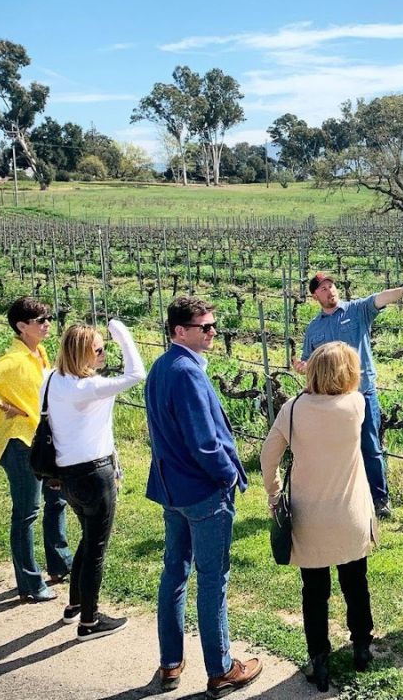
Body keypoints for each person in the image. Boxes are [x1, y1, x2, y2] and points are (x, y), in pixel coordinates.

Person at [145, 297, 262, 698]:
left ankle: (170, 662)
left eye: (214, 325)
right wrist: (229, 477)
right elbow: (204, 442)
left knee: (174, 573)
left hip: (172, 488)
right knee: (212, 579)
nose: (214, 332)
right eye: (205, 327)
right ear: (180, 331)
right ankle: (221, 668)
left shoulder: (162, 366)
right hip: (202, 492)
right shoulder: (186, 373)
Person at [261, 341, 376, 692]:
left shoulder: (293, 409)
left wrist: (274, 493)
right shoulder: (355, 405)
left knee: (314, 591)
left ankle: (319, 658)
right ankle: (361, 646)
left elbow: (268, 456)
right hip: (350, 513)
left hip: (309, 516)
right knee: (355, 582)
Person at [0, 297, 71, 602]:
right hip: (21, 443)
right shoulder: (12, 360)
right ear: (22, 326)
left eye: (48, 318)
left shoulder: (40, 353)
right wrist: (3, 406)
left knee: (57, 500)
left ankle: (60, 564)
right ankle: (30, 583)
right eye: (40, 320)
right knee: (27, 512)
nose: (47, 324)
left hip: (44, 440)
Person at [43, 319, 146, 640]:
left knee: (87, 540)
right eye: (99, 350)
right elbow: (137, 374)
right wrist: (123, 334)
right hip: (95, 474)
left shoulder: (51, 380)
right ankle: (90, 621)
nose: (104, 354)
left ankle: (75, 604)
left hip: (66, 474)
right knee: (96, 548)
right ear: (82, 354)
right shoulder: (88, 387)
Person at [293, 272, 403, 519]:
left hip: (362, 393)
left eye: (331, 286)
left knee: (370, 447)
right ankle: (343, 498)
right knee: (337, 450)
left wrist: (402, 291)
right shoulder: (314, 328)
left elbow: (378, 299)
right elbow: (309, 361)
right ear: (315, 296)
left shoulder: (357, 311)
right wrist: (303, 367)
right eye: (323, 289)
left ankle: (379, 500)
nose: (330, 291)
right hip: (331, 400)